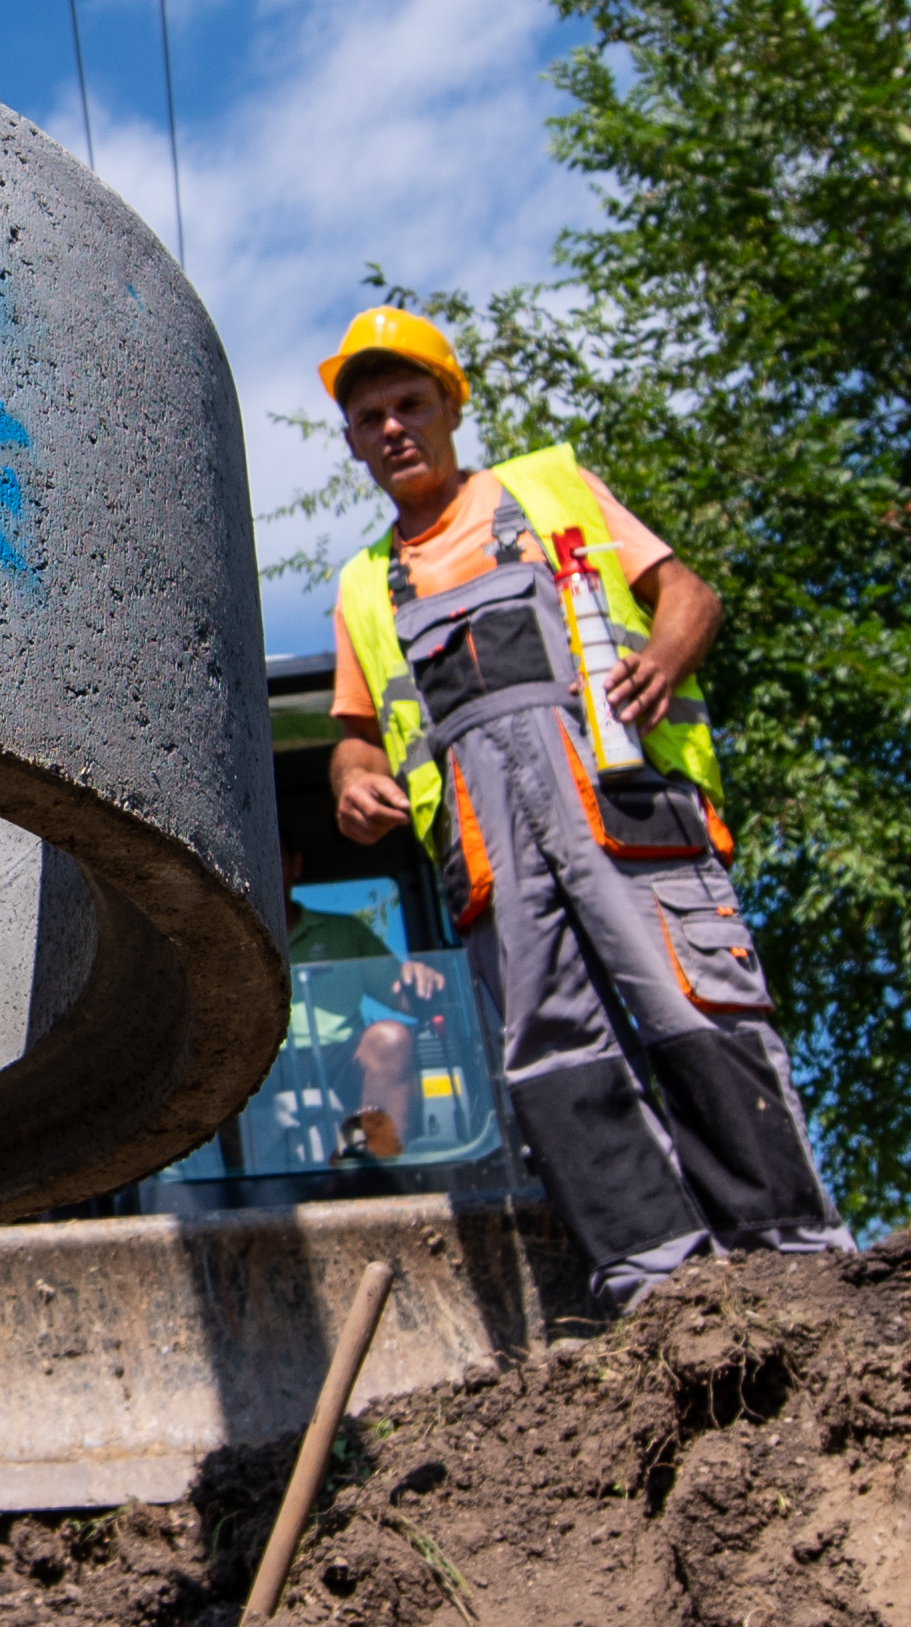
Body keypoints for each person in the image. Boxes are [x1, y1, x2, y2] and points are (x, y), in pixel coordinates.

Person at [312, 305, 847, 1302]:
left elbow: (687, 592)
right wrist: (351, 781)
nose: (392, 427)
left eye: (410, 403)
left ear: (451, 407)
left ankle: (792, 1266)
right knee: (555, 1059)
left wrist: (665, 653)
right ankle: (659, 1290)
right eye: (371, 415)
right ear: (352, 441)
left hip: (624, 809)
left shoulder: (552, 490)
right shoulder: (362, 588)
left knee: (693, 1009)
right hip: (489, 852)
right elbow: (353, 733)